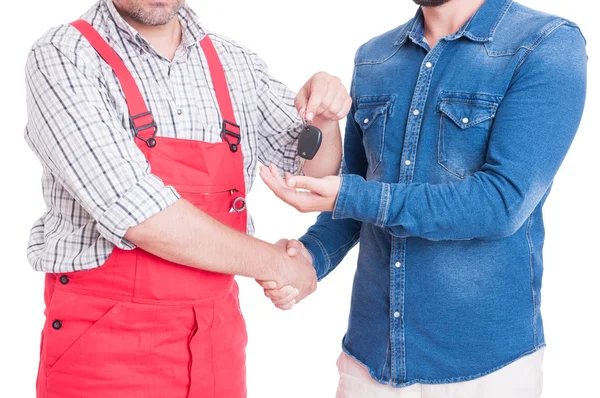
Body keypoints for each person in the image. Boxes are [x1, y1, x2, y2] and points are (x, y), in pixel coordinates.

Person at [259, 0, 587, 397]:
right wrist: (311, 257)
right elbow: (356, 192)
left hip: (483, 371)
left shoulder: (544, 44)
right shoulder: (375, 58)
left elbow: (502, 203)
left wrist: (351, 194)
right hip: (369, 364)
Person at [24, 0, 350, 397]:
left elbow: (314, 176)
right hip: (104, 346)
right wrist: (277, 264)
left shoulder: (236, 65)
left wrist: (326, 120)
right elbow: (139, 213)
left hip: (216, 345)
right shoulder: (65, 56)